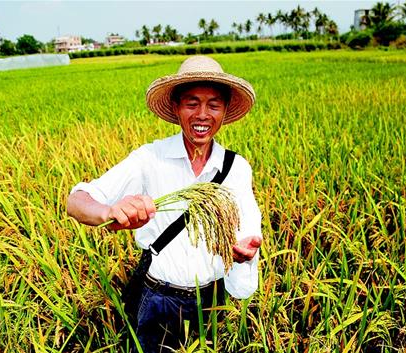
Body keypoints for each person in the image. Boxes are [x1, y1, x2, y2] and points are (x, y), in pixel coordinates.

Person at [67, 55, 262, 352]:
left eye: (213, 105)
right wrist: (109, 211)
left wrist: (243, 251)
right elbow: (77, 200)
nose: (202, 115)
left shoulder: (236, 168)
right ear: (176, 107)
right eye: (191, 103)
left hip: (211, 300)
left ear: (224, 111)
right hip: (158, 300)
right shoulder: (150, 159)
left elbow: (247, 228)